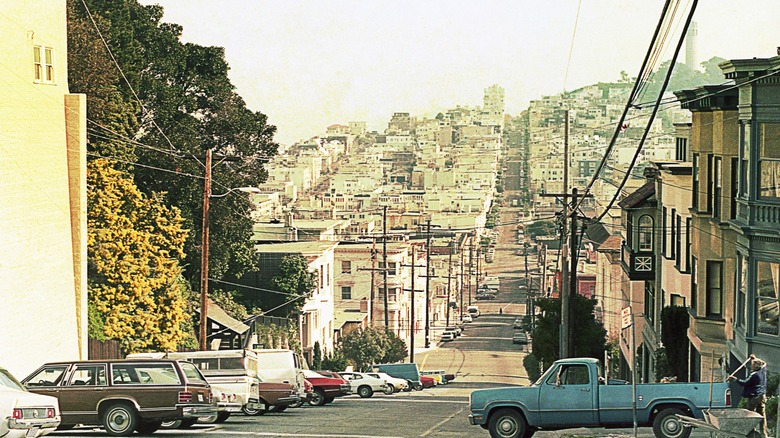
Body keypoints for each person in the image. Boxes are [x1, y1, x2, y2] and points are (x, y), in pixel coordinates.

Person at [728, 354, 767, 437]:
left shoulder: (754, 375)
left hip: (754, 397)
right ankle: (764, 433)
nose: (751, 366)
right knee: (762, 415)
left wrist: (735, 379)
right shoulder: (763, 369)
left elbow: (745, 383)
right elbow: (764, 363)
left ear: (756, 367)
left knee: (751, 415)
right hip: (762, 396)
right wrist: (755, 358)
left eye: (752, 365)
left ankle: (751, 432)